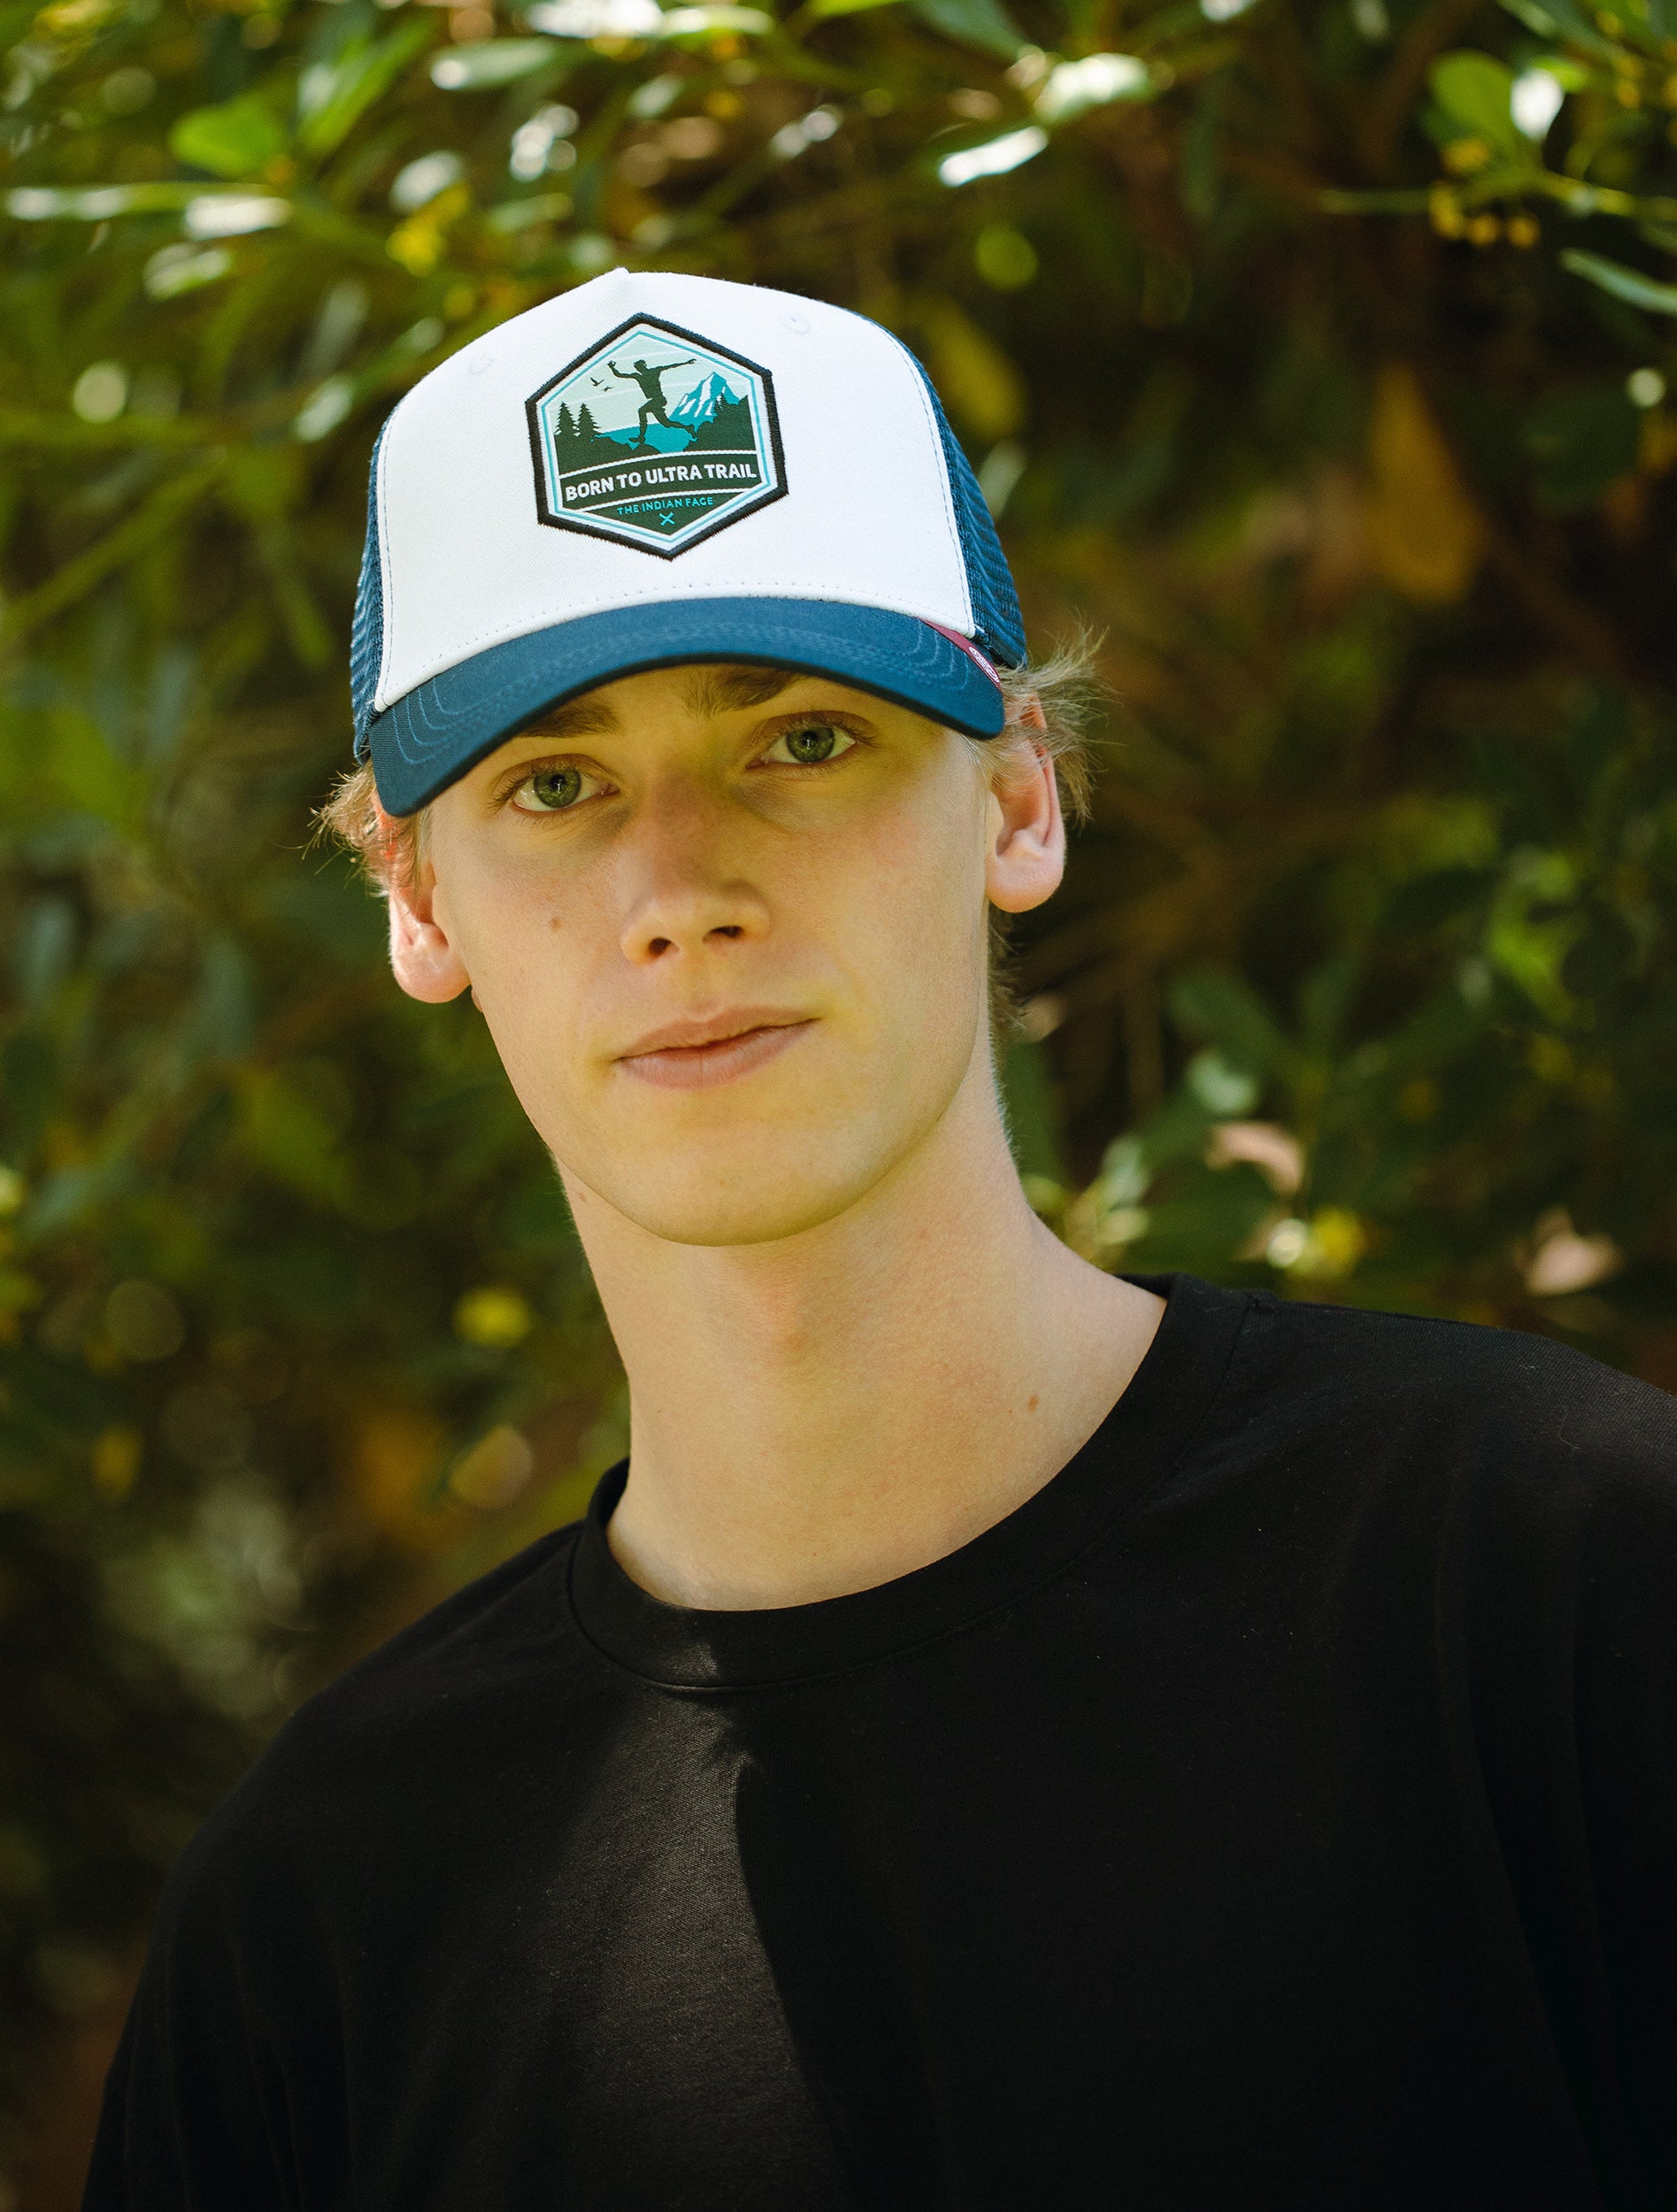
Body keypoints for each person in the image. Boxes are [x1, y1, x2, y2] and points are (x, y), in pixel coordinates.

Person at [83, 269, 1677, 2211]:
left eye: (803, 740)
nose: (680, 890)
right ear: (416, 897)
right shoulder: (319, 1925)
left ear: (1016, 796)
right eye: (557, 784)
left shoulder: (1551, 1581)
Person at [607, 349, 695, 447]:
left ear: (643, 366)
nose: (638, 369)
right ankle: (688, 428)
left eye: (639, 367)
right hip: (654, 401)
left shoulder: (654, 371)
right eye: (637, 368)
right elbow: (619, 375)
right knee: (666, 424)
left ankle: (641, 437)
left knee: (642, 411)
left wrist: (686, 363)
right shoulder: (638, 376)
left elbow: (670, 366)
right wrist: (612, 367)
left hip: (659, 399)